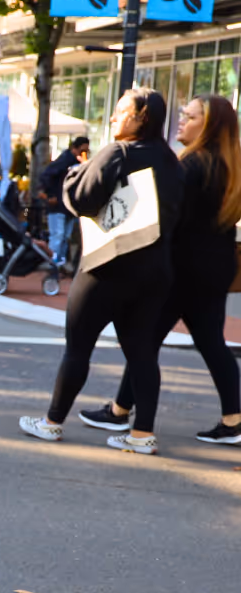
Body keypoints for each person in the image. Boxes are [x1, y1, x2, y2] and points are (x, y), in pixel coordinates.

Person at [19, 87, 183, 454]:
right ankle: (142, 434)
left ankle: (52, 422)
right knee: (142, 352)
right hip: (155, 270)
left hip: (108, 265)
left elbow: (83, 199)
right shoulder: (172, 161)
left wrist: (76, 174)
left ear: (140, 116)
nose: (113, 117)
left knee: (78, 347)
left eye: (121, 110)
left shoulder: (118, 153)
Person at [81, 94, 241, 445]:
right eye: (183, 113)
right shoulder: (226, 164)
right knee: (207, 340)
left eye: (191, 116)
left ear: (210, 125)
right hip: (214, 266)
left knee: (145, 338)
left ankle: (126, 417)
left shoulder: (192, 164)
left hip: (183, 268)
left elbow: (167, 215)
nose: (182, 120)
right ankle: (232, 418)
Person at [39, 135, 91, 271]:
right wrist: (50, 195)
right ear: (74, 149)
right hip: (58, 205)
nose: (84, 154)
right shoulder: (65, 160)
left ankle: (58, 262)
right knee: (58, 235)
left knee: (64, 236)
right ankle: (52, 262)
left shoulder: (77, 162)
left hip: (68, 207)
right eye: (82, 151)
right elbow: (47, 175)